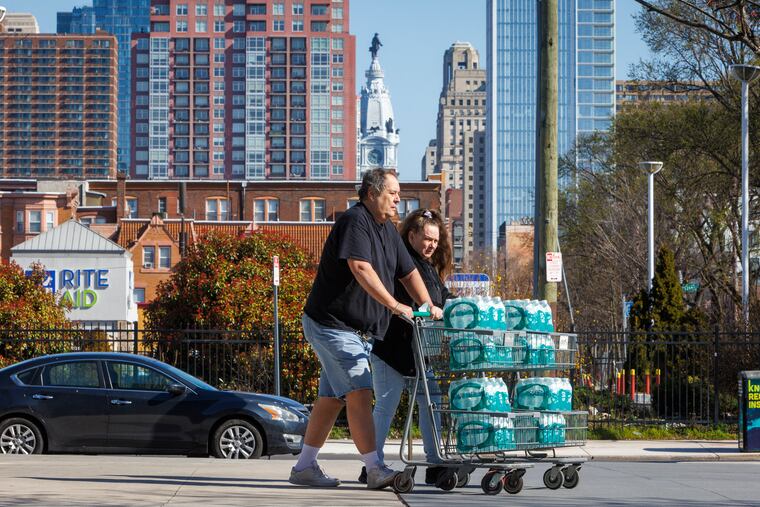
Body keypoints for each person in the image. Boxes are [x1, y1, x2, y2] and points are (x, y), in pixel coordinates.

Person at [289, 168, 443, 489]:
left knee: (331, 399)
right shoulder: (355, 221)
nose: (399, 198)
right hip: (331, 324)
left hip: (354, 330)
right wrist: (395, 305)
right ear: (372, 194)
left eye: (399, 193)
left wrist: (427, 305)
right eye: (393, 192)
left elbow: (408, 272)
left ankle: (304, 466)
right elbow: (360, 267)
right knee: (360, 389)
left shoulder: (388, 229)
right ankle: (375, 468)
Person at [357, 208, 455, 486]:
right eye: (426, 238)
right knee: (386, 406)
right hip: (392, 348)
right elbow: (404, 298)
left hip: (419, 351)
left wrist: (462, 307)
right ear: (411, 235)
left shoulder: (429, 268)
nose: (431, 245)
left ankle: (436, 462)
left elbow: (441, 297)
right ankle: (371, 464)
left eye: (435, 241)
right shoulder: (402, 263)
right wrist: (425, 310)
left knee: (431, 402)